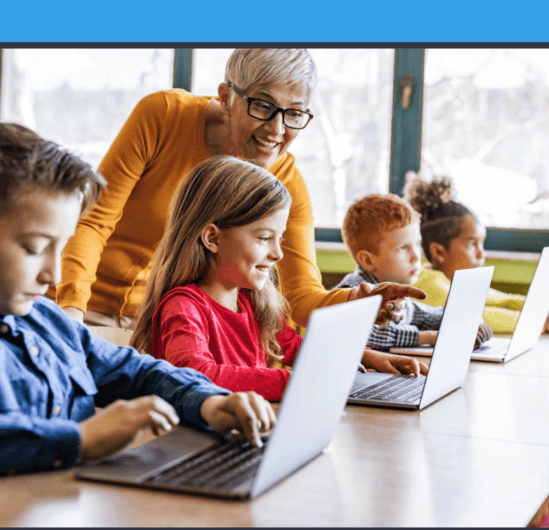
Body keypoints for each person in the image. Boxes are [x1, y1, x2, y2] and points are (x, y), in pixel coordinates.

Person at [0, 121, 276, 480]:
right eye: (35, 249)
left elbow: (137, 371)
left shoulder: (45, 319)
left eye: (61, 249)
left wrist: (209, 403)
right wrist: (78, 440)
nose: (55, 276)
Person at [53, 48, 422, 340]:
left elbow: (302, 298)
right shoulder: (162, 116)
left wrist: (359, 299)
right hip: (88, 312)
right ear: (227, 96)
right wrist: (71, 311)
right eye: (263, 105)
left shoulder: (287, 185)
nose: (277, 129)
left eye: (294, 114)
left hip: (168, 328)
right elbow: (92, 222)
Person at [130, 157, 428, 401]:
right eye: (263, 238)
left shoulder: (249, 300)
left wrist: (367, 357)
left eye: (279, 239)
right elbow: (196, 374)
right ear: (212, 237)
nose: (277, 254)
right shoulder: (184, 307)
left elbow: (296, 346)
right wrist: (293, 382)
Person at [404, 173, 549, 334]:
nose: (481, 254)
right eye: (471, 244)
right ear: (439, 252)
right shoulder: (428, 284)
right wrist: (548, 322)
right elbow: (475, 317)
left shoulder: (456, 282)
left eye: (481, 244)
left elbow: (504, 302)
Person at [332, 193, 494, 351]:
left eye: (417, 244)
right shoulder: (353, 292)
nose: (416, 256)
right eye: (403, 248)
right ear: (368, 260)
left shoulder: (400, 296)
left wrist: (469, 321)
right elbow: (364, 334)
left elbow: (431, 316)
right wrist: (428, 337)